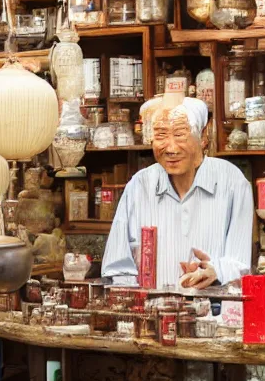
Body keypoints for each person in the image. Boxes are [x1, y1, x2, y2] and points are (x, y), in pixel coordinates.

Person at [101, 95, 253, 289]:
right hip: (153, 313)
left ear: (204, 136)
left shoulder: (232, 183)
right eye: (161, 136)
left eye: (180, 135)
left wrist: (215, 271)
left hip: (214, 314)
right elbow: (118, 268)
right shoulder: (139, 186)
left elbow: (241, 265)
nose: (171, 148)